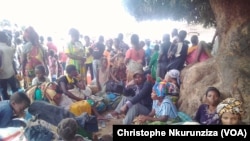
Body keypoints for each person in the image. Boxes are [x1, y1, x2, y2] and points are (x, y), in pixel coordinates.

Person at [0, 31, 19, 100]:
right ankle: (18, 101)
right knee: (14, 89)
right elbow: (12, 61)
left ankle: (7, 103)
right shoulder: (10, 48)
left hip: (2, 75)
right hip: (10, 72)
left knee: (3, 91)